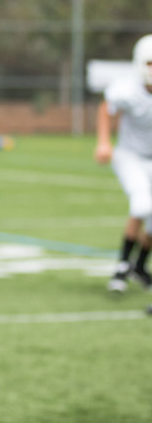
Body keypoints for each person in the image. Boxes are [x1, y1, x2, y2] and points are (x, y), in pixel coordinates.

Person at [95, 34, 152, 293]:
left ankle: (138, 266)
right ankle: (121, 266)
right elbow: (106, 108)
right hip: (129, 155)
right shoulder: (128, 89)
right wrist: (104, 142)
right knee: (142, 203)